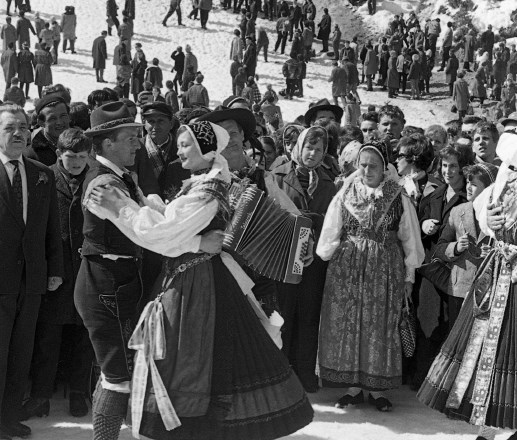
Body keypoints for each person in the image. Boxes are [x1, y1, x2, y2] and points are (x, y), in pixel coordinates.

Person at [86, 117, 315, 440]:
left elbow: (162, 232)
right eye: (178, 144)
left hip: (198, 286)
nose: (179, 152)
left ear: (206, 149)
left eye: (185, 145)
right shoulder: (205, 181)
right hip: (195, 278)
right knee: (193, 362)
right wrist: (150, 204)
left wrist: (122, 206)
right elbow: (172, 221)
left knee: (190, 363)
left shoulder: (208, 189)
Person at [317, 140, 424, 411]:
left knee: (380, 325)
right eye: (362, 165)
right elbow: (331, 231)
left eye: (373, 165)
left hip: (385, 270)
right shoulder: (345, 194)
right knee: (350, 324)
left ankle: (377, 389)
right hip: (348, 270)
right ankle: (353, 387)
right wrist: (328, 253)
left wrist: (409, 277)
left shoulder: (398, 196)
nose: (367, 170)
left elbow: (410, 238)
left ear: (384, 167)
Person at [73, 102, 144, 440]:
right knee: (118, 378)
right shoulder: (104, 184)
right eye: (130, 138)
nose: (138, 144)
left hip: (113, 284)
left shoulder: (119, 177)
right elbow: (144, 228)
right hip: (104, 287)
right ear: (107, 143)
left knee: (115, 375)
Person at [22, 128, 94, 422]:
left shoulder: (97, 178)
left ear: (88, 155)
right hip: (56, 270)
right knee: (48, 338)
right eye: (69, 156)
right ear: (59, 154)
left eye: (81, 156)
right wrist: (50, 268)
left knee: (83, 335)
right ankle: (40, 395)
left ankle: (79, 392)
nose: (75, 162)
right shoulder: (45, 177)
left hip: (86, 271)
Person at [0, 103, 63, 440]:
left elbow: (52, 228)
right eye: (10, 127)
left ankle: (9, 418)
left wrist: (54, 269)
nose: (18, 133)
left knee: (21, 351)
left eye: (23, 127)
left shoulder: (42, 173)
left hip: (31, 281)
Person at [272, 126, 337, 392]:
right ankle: (281, 373)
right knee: (284, 313)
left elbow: (335, 221)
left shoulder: (329, 182)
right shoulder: (277, 177)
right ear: (298, 147)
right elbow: (271, 213)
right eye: (308, 147)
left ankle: (305, 373)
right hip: (284, 256)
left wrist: (312, 220)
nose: (312, 153)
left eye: (318, 149)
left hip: (315, 261)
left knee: (309, 315)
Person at [26, 96, 70, 166]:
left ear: (69, 117)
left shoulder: (82, 144)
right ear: (41, 122)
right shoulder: (31, 156)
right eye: (52, 118)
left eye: (63, 116)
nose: (59, 122)